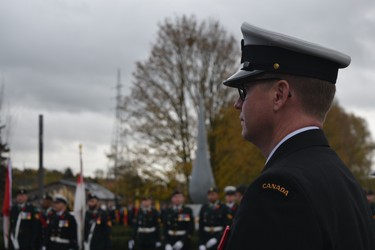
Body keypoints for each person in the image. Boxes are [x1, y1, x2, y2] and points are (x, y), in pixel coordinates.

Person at [218, 22, 375, 250]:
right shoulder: (345, 181)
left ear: (279, 95)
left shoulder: (277, 192)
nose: (237, 104)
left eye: (245, 90)